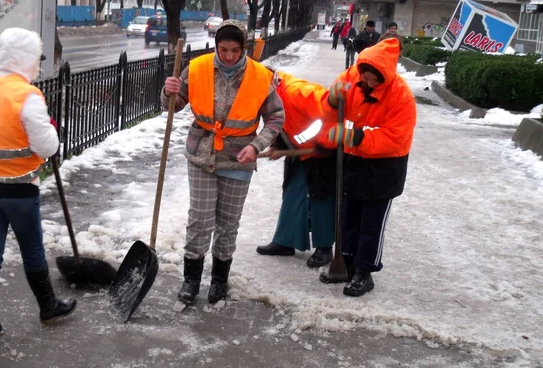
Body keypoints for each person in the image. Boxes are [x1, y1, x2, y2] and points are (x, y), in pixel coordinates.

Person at [161, 19, 284, 305]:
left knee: (228, 224)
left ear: (244, 48)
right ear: (216, 46)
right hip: (202, 154)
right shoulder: (198, 67)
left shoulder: (260, 76)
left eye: (235, 50)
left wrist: (256, 146)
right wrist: (170, 92)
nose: (228, 56)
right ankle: (191, 280)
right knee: (200, 220)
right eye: (223, 49)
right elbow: (175, 105)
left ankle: (219, 280)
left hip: (239, 157)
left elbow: (276, 118)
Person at [0, 27, 75, 346]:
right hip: (20, 189)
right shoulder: (27, 95)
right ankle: (48, 307)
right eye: (36, 60)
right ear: (25, 60)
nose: (37, 67)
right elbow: (46, 147)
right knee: (32, 250)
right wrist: (50, 131)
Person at [317, 38, 417, 297]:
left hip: (385, 167)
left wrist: (356, 137)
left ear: (385, 76)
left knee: (371, 222)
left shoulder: (401, 95)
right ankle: (346, 263)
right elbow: (328, 110)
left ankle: (365, 271)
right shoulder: (350, 77)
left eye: (375, 80)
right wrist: (331, 102)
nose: (370, 83)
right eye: (367, 78)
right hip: (353, 161)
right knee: (349, 216)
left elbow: (396, 137)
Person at [255, 71, 335, 269]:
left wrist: (320, 143)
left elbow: (328, 113)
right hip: (301, 150)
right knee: (292, 191)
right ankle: (286, 241)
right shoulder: (269, 96)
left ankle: (324, 247)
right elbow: (281, 122)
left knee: (320, 197)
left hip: (323, 150)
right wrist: (280, 146)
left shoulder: (298, 92)